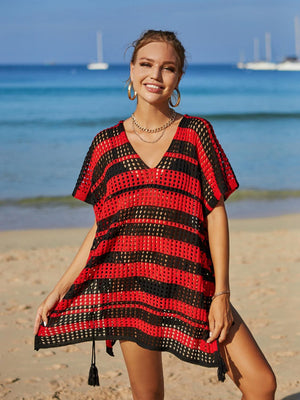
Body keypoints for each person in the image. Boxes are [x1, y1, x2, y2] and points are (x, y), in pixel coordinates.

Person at [34, 30, 276, 400]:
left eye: (168, 68)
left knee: (261, 383)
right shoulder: (106, 144)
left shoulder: (197, 133)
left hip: (190, 281)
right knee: (149, 397)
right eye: (146, 64)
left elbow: (214, 210)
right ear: (131, 71)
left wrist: (221, 292)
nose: (156, 75)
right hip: (129, 286)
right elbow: (103, 227)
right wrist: (59, 289)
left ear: (178, 79)